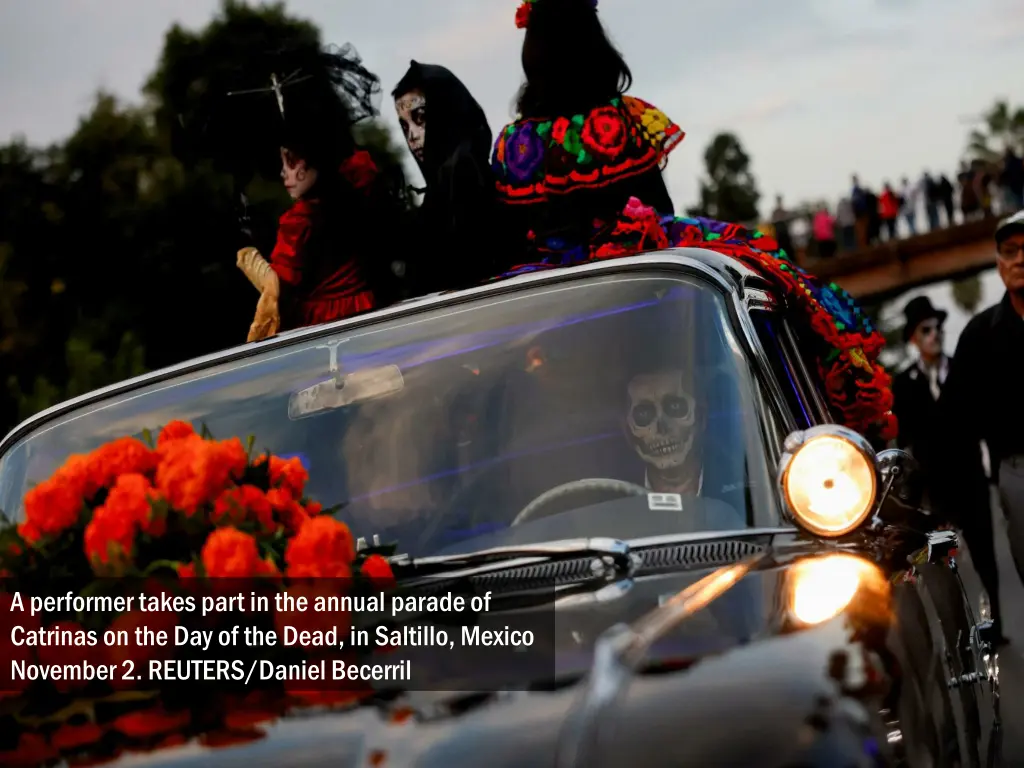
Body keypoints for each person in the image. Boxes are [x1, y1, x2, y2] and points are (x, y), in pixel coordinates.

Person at [489, 0, 896, 448]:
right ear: (594, 46)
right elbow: (656, 210)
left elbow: (516, 234)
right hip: (642, 273)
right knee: (770, 276)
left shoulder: (512, 144)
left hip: (548, 290)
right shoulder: (625, 120)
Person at [235, 45, 408, 341]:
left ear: (314, 156)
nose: (284, 172)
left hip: (325, 336)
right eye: (282, 161)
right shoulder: (360, 180)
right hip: (376, 317)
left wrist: (248, 256)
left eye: (291, 160)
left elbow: (274, 293)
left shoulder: (300, 222)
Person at [934, 210, 1024, 643]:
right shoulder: (980, 335)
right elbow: (952, 422)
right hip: (1016, 468)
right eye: (1010, 252)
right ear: (998, 262)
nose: (1019, 259)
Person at [893, 297, 1002, 639]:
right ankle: (958, 629)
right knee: (944, 557)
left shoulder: (962, 371)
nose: (934, 335)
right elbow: (906, 440)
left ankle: (997, 622)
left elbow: (984, 420)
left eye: (937, 328)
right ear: (913, 337)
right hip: (936, 493)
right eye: (926, 330)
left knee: (984, 550)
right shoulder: (904, 385)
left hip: (970, 480)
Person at [392, 61, 504, 292]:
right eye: (405, 126)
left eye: (420, 118)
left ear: (446, 111)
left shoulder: (464, 175)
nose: (412, 136)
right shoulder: (442, 184)